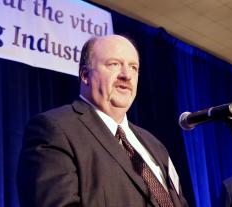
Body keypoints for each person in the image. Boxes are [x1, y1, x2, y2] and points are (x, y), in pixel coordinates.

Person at [17, 35, 189, 207]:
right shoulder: (54, 130)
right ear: (85, 75)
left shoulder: (155, 145)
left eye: (133, 67)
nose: (126, 75)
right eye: (114, 64)